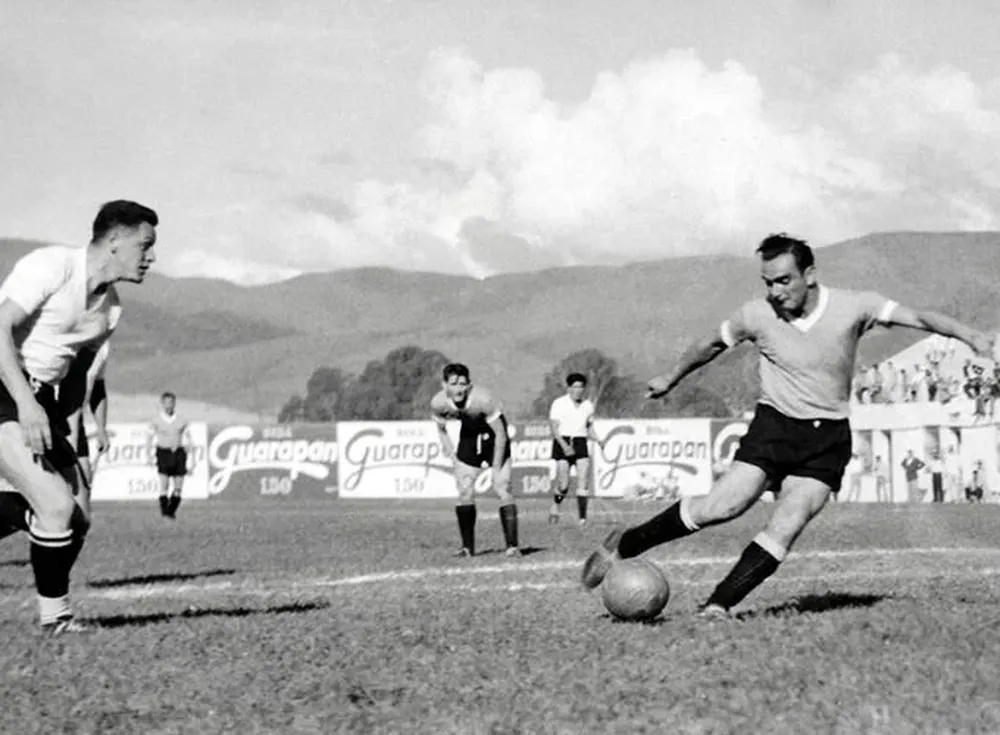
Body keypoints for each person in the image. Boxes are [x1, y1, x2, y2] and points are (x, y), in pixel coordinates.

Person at [580, 233, 994, 618]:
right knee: (723, 506)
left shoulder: (855, 306)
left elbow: (920, 318)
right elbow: (711, 344)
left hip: (828, 438)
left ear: (810, 275)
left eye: (783, 281)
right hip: (774, 427)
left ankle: (716, 609)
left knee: (789, 521)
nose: (776, 292)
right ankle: (628, 542)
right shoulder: (756, 315)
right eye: (768, 283)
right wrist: (672, 377)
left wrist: (969, 335)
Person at [0, 200, 157, 633]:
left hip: (37, 398)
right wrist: (26, 405)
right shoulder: (52, 267)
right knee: (52, 505)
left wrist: (70, 445)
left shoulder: (112, 309)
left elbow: (73, 380)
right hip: (5, 386)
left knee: (77, 515)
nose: (151, 257)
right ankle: (56, 620)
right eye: (144, 246)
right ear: (114, 241)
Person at [431, 363, 520, 557]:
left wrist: (496, 467)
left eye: (463, 384)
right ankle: (467, 548)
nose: (459, 389)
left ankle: (512, 546)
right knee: (464, 490)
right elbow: (441, 431)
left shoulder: (483, 400)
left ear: (469, 385)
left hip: (494, 435)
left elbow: (501, 434)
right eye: (453, 383)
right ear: (444, 385)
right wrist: (453, 458)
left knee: (502, 486)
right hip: (469, 433)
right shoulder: (438, 403)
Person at [547, 372, 604, 525]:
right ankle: (555, 505)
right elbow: (554, 428)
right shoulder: (559, 403)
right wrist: (564, 446)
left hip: (580, 442)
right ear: (569, 388)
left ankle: (582, 518)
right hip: (563, 441)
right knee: (563, 485)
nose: (578, 390)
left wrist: (598, 440)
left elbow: (589, 427)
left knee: (583, 481)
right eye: (575, 387)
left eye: (581, 387)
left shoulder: (588, 405)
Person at [147, 391, 190, 519]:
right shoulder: (156, 420)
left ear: (174, 404)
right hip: (163, 453)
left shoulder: (182, 420)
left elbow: (188, 437)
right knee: (164, 484)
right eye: (166, 403)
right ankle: (165, 511)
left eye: (171, 403)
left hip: (178, 453)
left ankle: (171, 511)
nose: (169, 406)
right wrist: (148, 454)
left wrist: (189, 450)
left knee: (178, 486)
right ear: (162, 404)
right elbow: (149, 437)